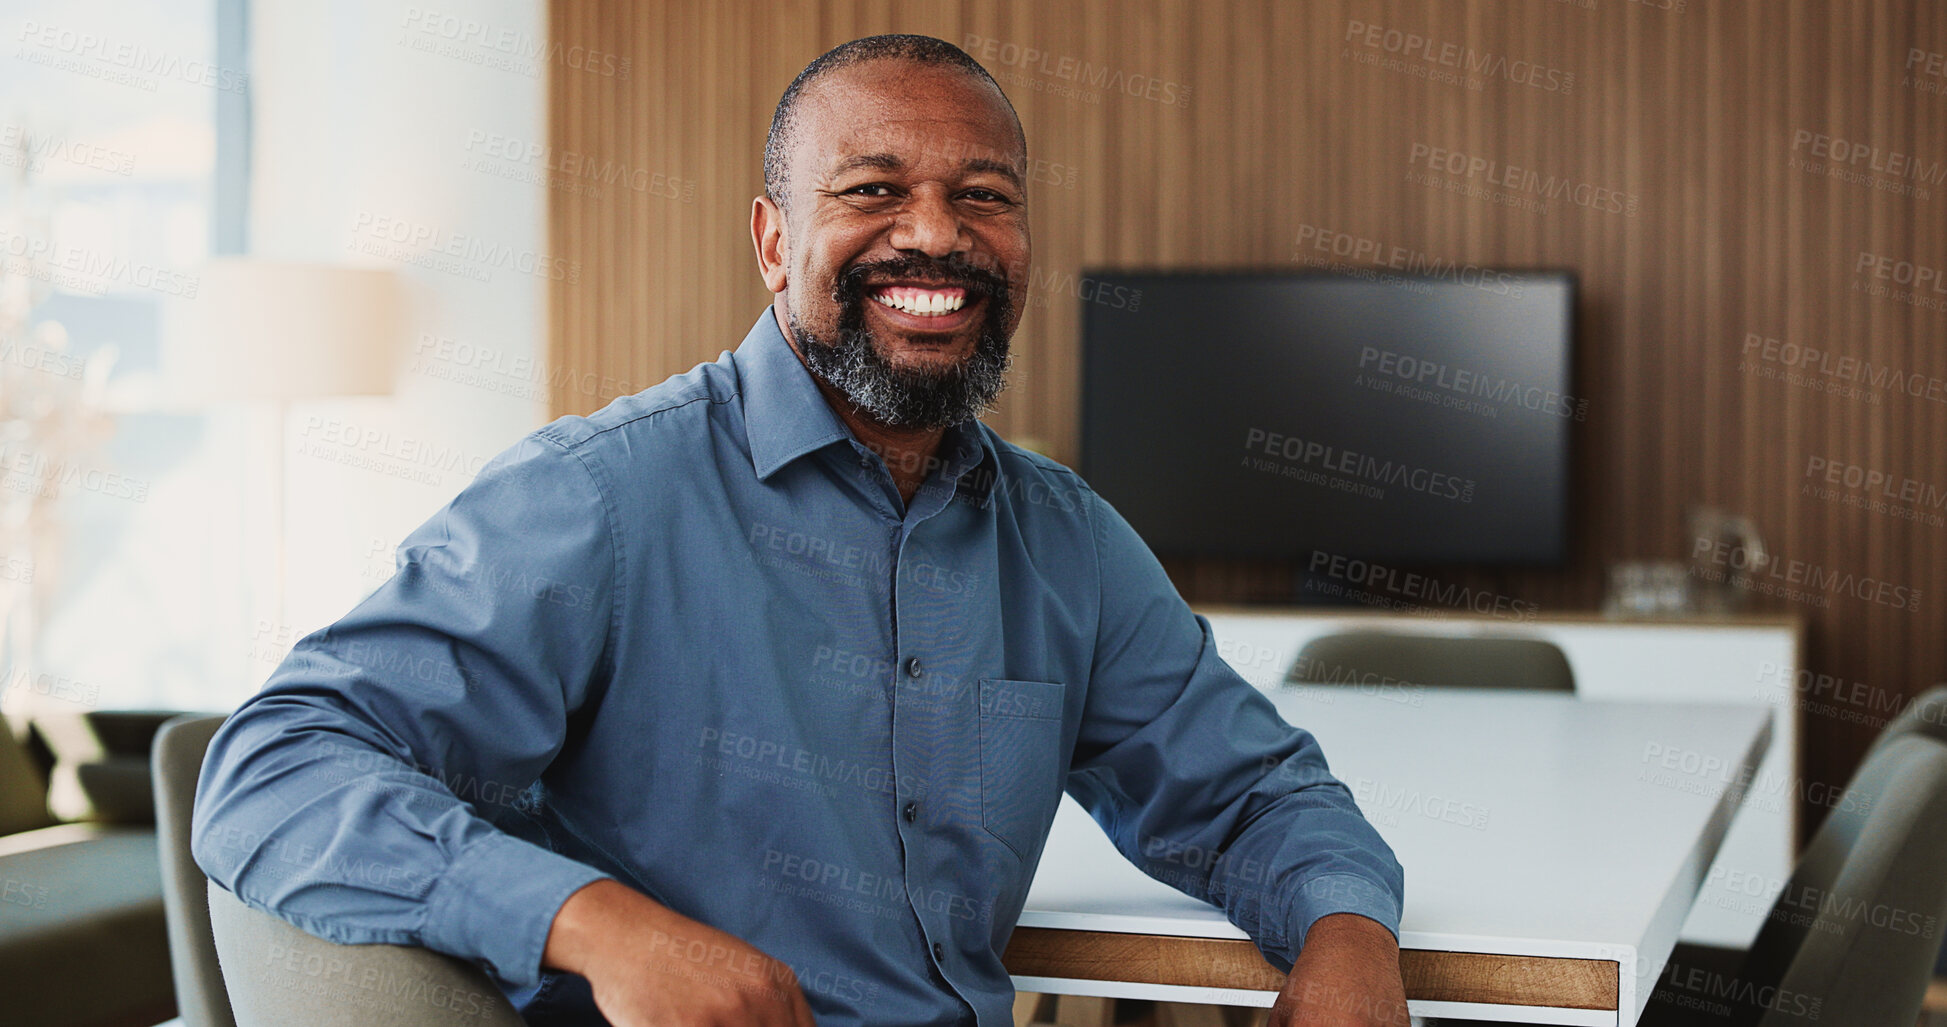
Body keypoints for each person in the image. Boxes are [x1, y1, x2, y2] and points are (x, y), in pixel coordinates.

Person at [193, 34, 1408, 1027]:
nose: (935, 234)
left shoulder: (1065, 541)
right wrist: (598, 923)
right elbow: (271, 770)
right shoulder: (604, 497)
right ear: (775, 243)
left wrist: (1349, 936)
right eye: (872, 190)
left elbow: (1252, 791)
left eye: (983, 197)